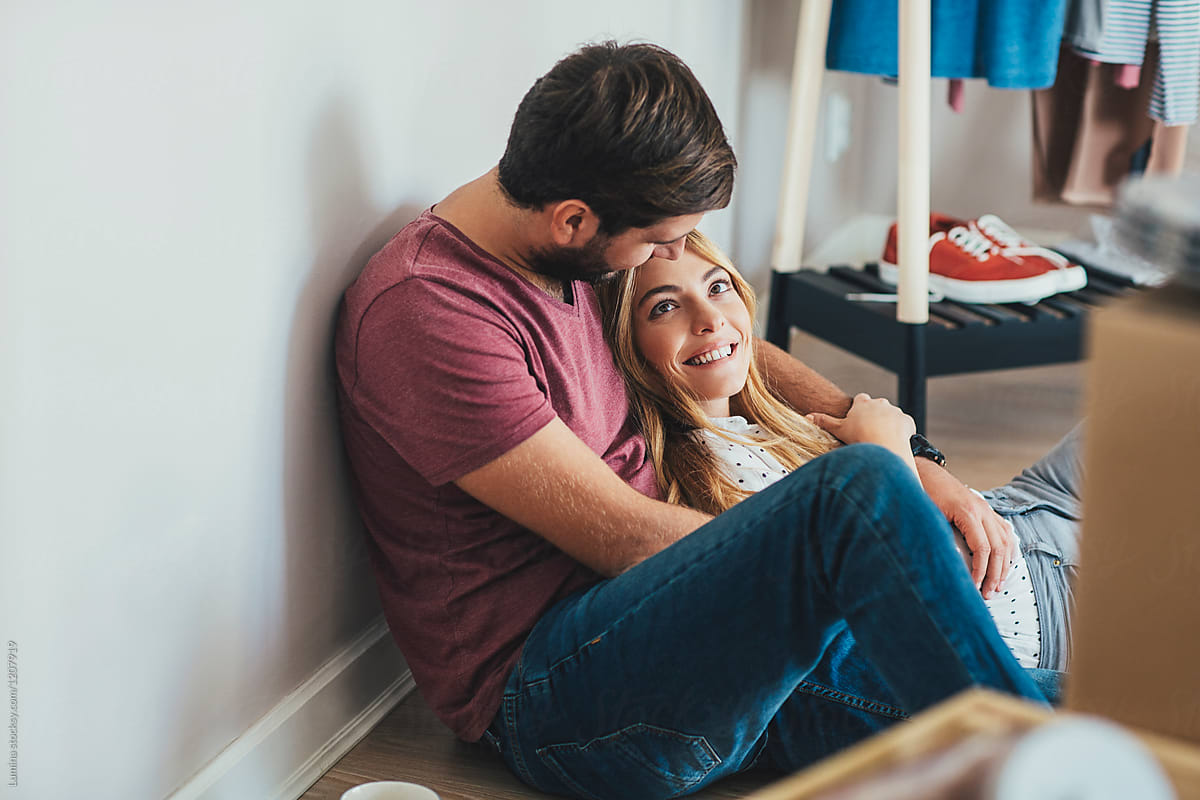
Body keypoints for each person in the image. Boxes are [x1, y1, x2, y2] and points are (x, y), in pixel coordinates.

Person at [334, 42, 1056, 800]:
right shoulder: (432, 313)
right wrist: (833, 538)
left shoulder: (570, 236)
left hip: (692, 637)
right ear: (573, 220)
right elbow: (625, 539)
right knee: (854, 493)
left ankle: (1045, 758)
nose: (673, 252)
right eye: (657, 240)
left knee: (1083, 712)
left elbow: (740, 349)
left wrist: (908, 451)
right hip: (562, 699)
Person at [598, 229, 1082, 676]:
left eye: (718, 287)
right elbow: (907, 600)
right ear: (626, 346)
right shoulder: (716, 473)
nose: (711, 320)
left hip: (1024, 510)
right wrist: (890, 449)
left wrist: (916, 460)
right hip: (1050, 613)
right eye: (665, 307)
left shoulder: (763, 421)